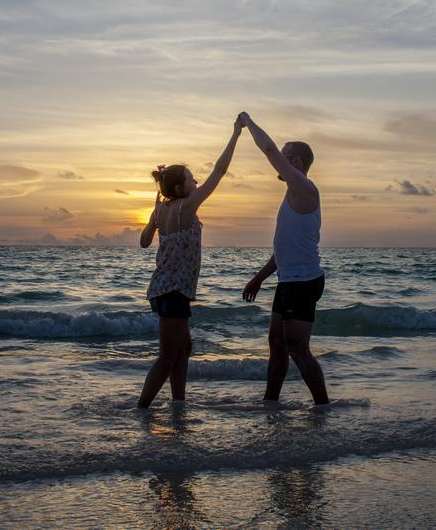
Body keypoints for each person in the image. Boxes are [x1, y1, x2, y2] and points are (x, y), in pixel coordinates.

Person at [138, 116, 243, 408]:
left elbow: (144, 242)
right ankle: (142, 408)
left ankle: (178, 404)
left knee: (184, 350)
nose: (196, 181)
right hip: (173, 293)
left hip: (163, 290)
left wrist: (153, 215)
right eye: (191, 178)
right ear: (182, 189)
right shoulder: (187, 207)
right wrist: (235, 134)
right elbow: (220, 172)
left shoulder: (161, 211)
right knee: (168, 356)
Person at [239, 111, 329, 405]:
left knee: (297, 348)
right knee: (276, 344)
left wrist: (248, 123)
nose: (278, 158)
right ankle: (270, 403)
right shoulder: (291, 193)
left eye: (285, 155)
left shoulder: (304, 189)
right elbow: (284, 249)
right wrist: (258, 278)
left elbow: (268, 150)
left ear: (296, 163)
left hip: (304, 283)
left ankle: (322, 406)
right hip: (288, 281)